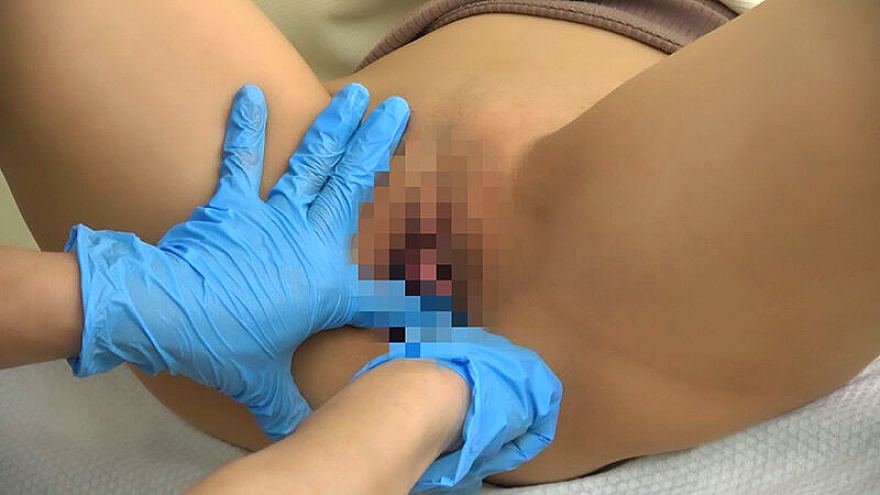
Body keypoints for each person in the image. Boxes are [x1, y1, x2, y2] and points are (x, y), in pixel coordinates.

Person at [1, 0, 878, 490]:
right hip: (608, 284)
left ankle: (409, 403)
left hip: (266, 192)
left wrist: (113, 296)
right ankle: (416, 401)